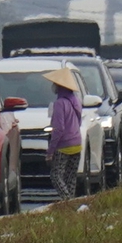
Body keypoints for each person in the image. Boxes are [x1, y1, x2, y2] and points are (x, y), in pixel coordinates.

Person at [47, 66, 85, 200]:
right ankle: (71, 204)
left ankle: (67, 201)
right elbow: (78, 121)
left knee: (56, 175)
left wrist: (51, 150)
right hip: (77, 143)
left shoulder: (59, 104)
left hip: (63, 146)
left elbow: (59, 128)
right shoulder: (75, 101)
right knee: (70, 177)